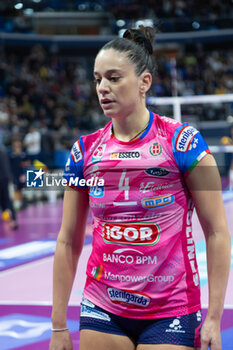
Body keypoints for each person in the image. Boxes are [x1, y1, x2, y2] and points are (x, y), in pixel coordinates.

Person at [49, 26, 231, 350]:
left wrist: (214, 318)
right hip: (102, 305)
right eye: (97, 79)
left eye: (114, 78)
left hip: (171, 310)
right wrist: (58, 324)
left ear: (144, 82)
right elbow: (67, 240)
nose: (103, 88)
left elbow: (217, 232)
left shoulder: (182, 143)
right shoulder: (84, 152)